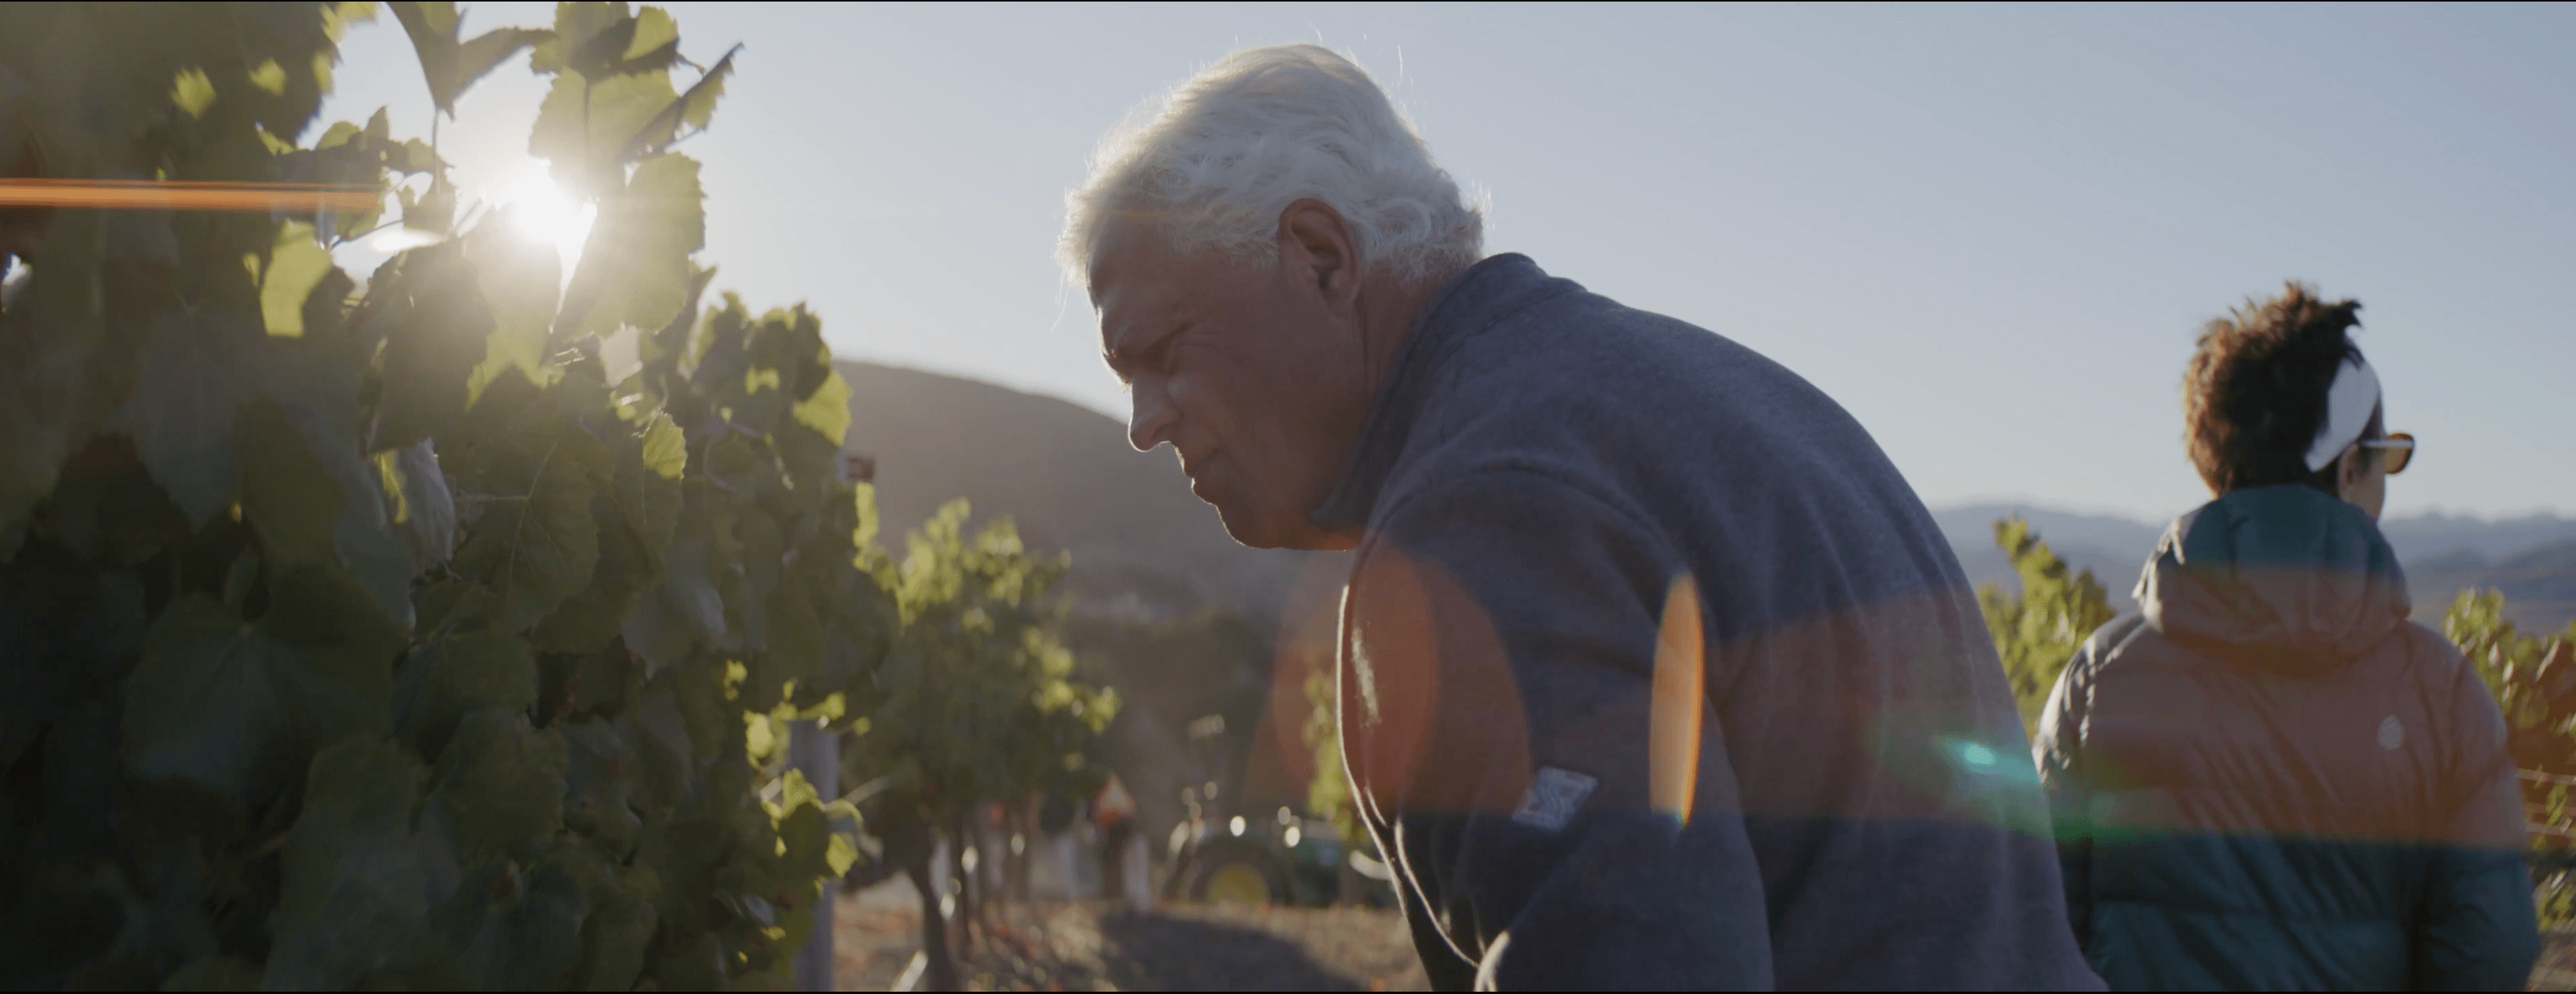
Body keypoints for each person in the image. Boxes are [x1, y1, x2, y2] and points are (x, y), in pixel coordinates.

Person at [1062, 43, 2098, 989]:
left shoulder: (1482, 511)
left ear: (1322, 256)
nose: (1144, 425)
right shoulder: (1696, 391)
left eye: (1162, 354)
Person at [2033, 282, 2541, 989]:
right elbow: (2490, 950)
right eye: (2386, 458)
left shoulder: (2100, 681)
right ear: (2350, 467)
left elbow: (2036, 924)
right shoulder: (2440, 692)